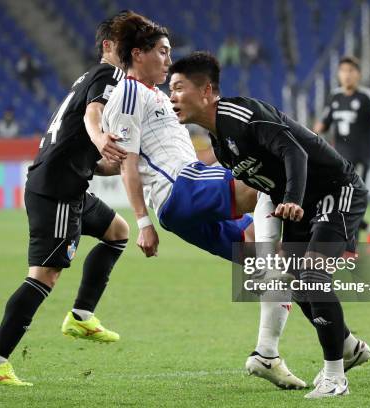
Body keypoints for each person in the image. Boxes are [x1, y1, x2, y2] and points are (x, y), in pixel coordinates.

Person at [102, 13, 305, 389]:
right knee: (267, 181)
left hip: (185, 201)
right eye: (161, 52)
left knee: (270, 254)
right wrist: (142, 223)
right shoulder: (129, 91)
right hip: (182, 187)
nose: (167, 60)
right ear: (138, 54)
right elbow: (128, 162)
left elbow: (120, 159)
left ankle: (269, 353)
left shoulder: (154, 96)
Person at [168, 51, 370, 399]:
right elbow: (265, 188)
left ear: (206, 91)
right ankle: (350, 349)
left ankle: (335, 377)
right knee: (293, 281)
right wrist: (271, 240)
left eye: (178, 88)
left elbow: (295, 152)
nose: (171, 96)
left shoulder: (241, 115)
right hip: (298, 205)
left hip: (336, 190)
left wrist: (291, 197)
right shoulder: (221, 144)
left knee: (313, 276)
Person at [0, 13, 131, 386]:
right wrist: (101, 140)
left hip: (69, 184)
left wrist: (122, 165)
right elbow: (93, 118)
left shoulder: (90, 78)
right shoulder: (109, 75)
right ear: (109, 46)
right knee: (45, 275)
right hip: (58, 191)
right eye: (127, 42)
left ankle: (81, 316)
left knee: (117, 231)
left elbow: (89, 157)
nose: (133, 49)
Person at [313, 56, 370, 246]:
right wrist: (311, 134)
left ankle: (352, 246)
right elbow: (323, 124)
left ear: (358, 74)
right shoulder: (334, 97)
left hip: (358, 159)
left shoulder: (366, 97)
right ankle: (368, 230)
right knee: (334, 201)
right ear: (338, 74)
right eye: (343, 71)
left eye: (351, 71)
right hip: (337, 159)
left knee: (350, 200)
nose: (347, 75)